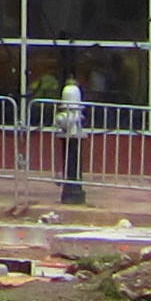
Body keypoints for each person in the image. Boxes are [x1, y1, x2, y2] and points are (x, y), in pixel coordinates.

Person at [53, 77, 87, 205]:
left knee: (72, 157)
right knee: (72, 157)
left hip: (72, 129)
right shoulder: (72, 116)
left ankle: (72, 187)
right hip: (71, 129)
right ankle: (72, 187)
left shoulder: (70, 116)